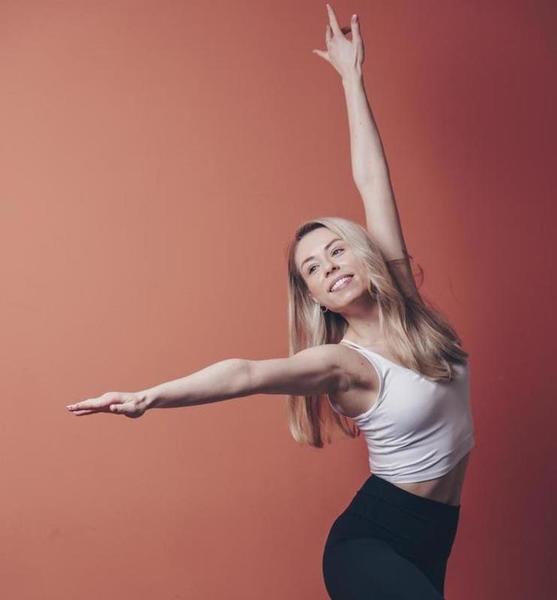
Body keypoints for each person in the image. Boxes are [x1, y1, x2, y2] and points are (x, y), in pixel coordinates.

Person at [66, 5, 475, 599]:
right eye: (313, 269)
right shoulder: (344, 364)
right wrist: (149, 397)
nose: (329, 268)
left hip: (434, 537)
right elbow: (247, 373)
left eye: (336, 251)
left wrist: (351, 78)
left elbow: (372, 181)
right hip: (372, 542)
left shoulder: (407, 306)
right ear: (315, 297)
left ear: (363, 254)